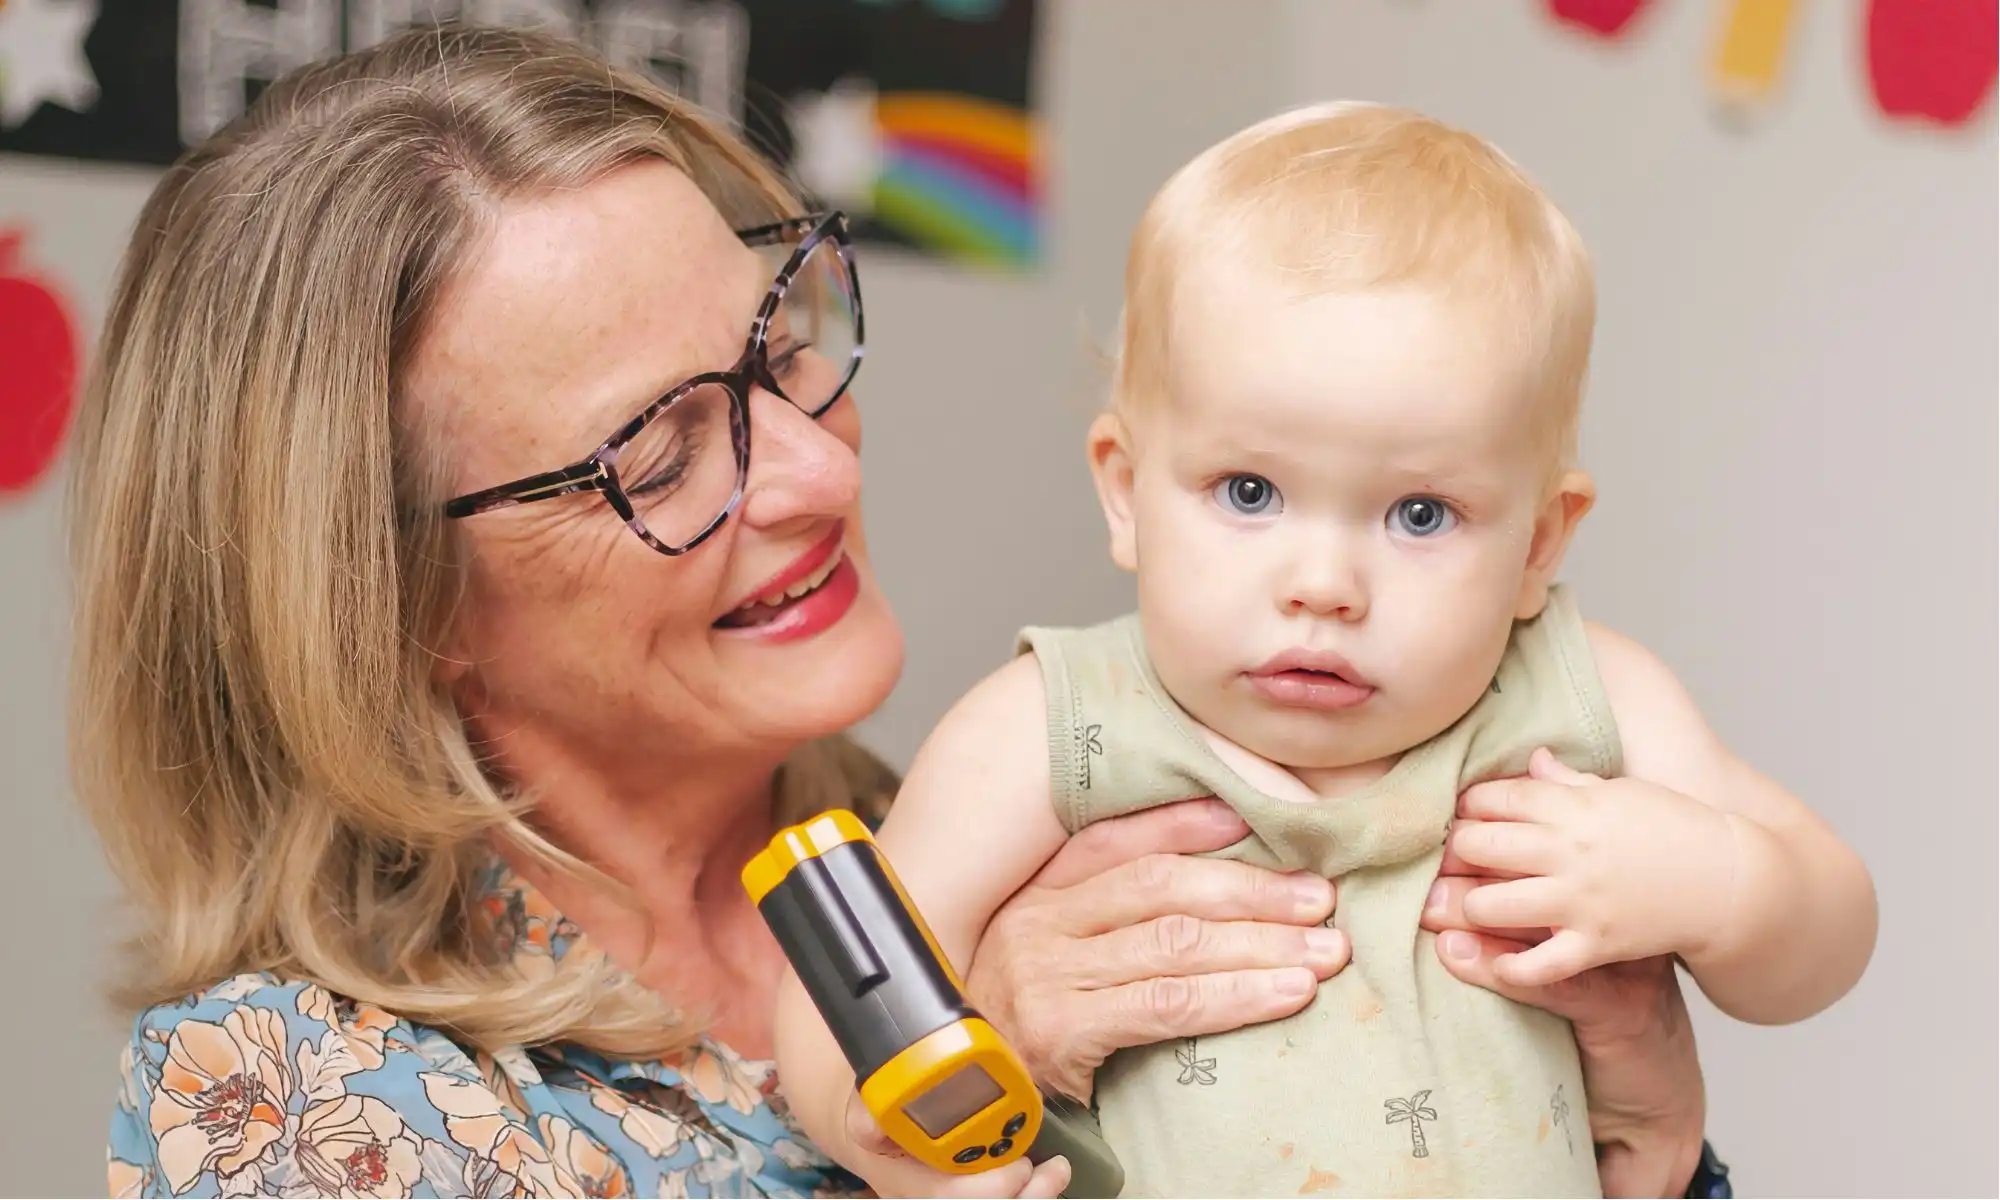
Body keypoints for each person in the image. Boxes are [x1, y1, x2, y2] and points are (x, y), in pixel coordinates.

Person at [68, 26, 1726, 1200]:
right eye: (657, 448)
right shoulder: (300, 1103)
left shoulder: (1026, 836)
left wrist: (1635, 1124)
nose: (811, 467)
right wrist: (940, 1095)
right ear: (393, 601)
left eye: (781, 340)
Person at [776, 103, 1876, 1197]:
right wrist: (911, 1169)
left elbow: (1828, 928)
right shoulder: (1053, 724)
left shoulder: (1580, 698)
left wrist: (1721, 885)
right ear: (1124, 490)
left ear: (1538, 541)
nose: (1323, 586)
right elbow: (840, 1002)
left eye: (1419, 514)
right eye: (1248, 492)